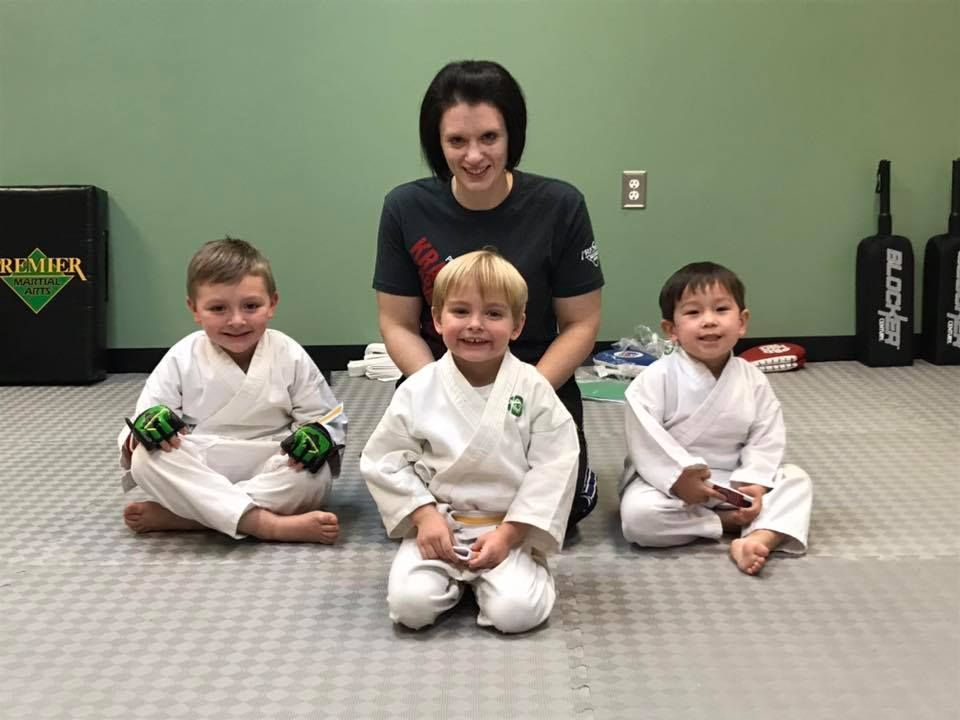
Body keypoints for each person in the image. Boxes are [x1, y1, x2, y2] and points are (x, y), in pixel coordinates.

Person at [373, 60, 603, 531]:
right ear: (437, 143)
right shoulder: (404, 207)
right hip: (438, 380)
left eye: (489, 138)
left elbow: (582, 322)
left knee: (563, 510)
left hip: (537, 380)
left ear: (511, 136)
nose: (474, 156)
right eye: (457, 141)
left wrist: (521, 396)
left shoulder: (561, 206)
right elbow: (396, 323)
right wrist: (440, 394)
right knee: (409, 498)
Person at [361, 250, 579, 633]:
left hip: (507, 529)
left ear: (517, 324)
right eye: (460, 312)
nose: (475, 325)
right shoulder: (419, 388)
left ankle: (523, 571)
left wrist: (511, 534)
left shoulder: (532, 388)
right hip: (437, 528)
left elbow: (555, 464)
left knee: (516, 615)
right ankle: (454, 579)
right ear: (436, 318)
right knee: (409, 608)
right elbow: (385, 459)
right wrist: (423, 516)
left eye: (494, 314)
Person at [118, 237, 346, 543]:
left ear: (272, 304)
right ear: (194, 309)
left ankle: (192, 517)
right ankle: (266, 523)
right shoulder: (182, 355)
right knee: (145, 459)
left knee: (312, 478)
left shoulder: (287, 353)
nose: (237, 320)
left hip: (271, 456)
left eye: (251, 306)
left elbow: (323, 418)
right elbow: (145, 419)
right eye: (218, 308)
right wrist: (148, 425)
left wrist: (319, 434)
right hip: (201, 460)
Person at [619, 262, 813, 575]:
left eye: (721, 309)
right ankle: (724, 524)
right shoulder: (656, 378)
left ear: (742, 321)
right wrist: (681, 479)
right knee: (637, 515)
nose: (709, 321)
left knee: (796, 480)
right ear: (672, 330)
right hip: (672, 486)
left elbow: (766, 435)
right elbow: (645, 439)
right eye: (693, 313)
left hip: (733, 481)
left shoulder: (753, 380)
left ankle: (759, 537)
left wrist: (755, 483)